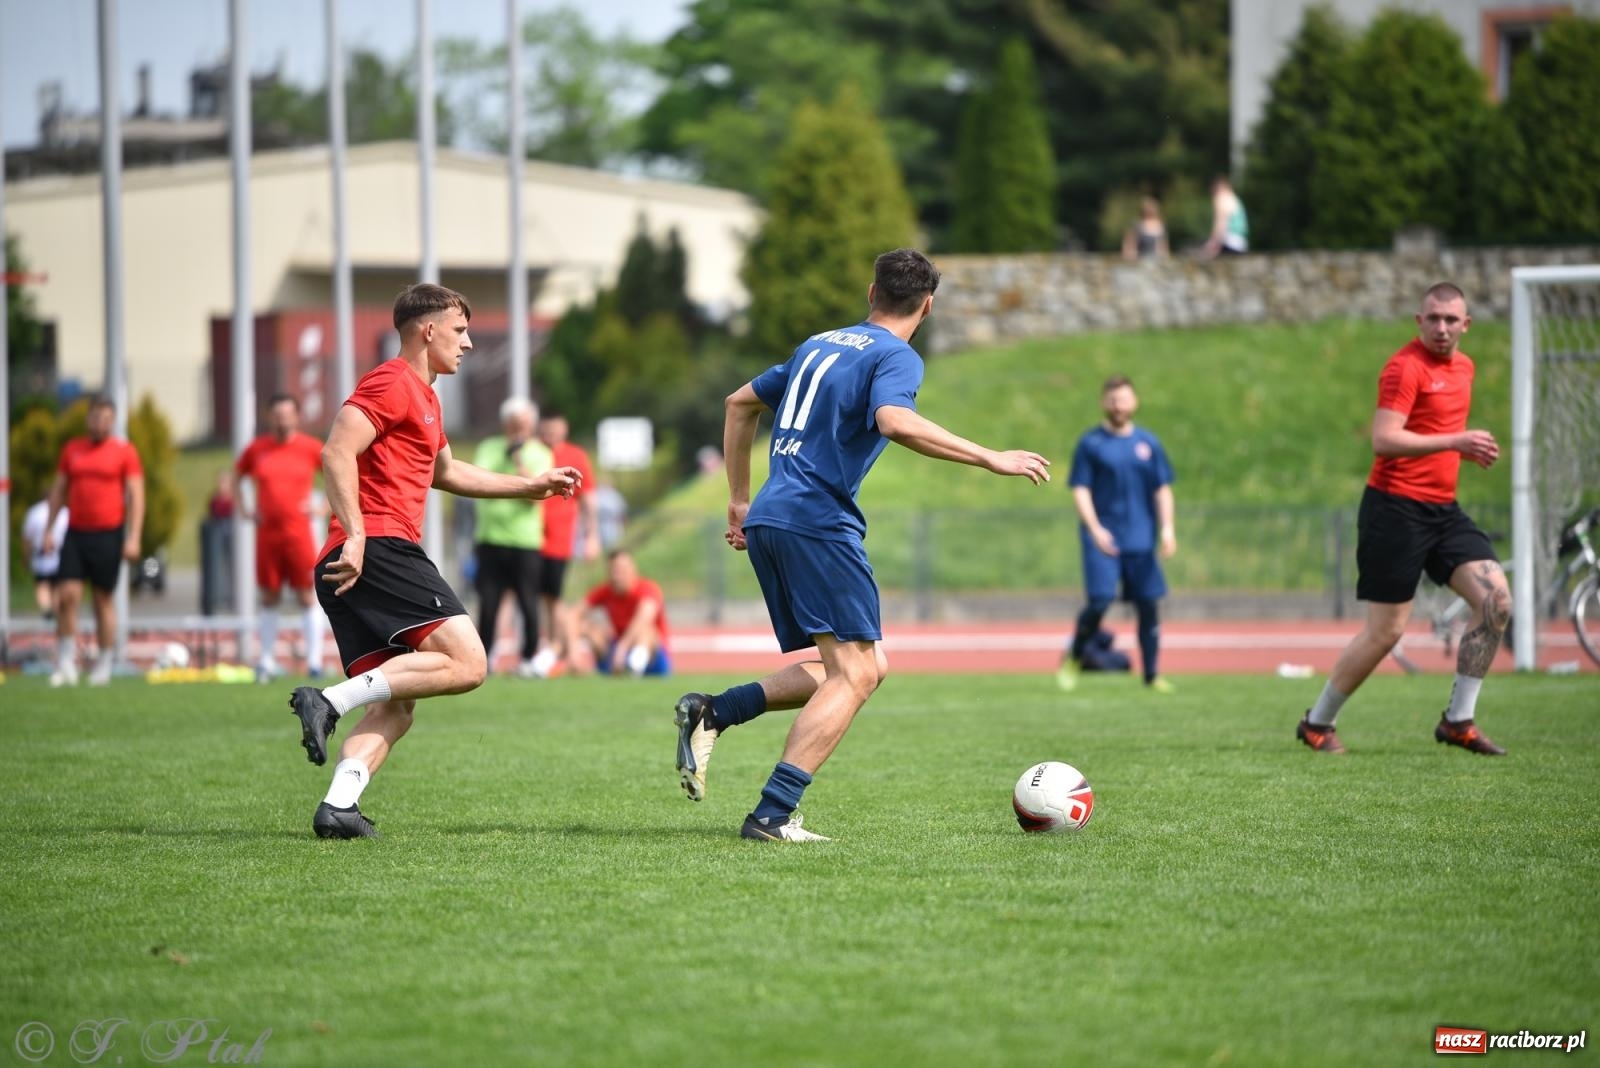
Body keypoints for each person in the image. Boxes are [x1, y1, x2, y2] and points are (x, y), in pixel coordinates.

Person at [674, 248, 1052, 842]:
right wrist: (989, 456)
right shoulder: (897, 355)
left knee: (862, 664)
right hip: (818, 521)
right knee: (855, 674)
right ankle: (772, 816)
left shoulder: (818, 343)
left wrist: (740, 500)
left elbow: (738, 403)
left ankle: (715, 711)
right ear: (926, 307)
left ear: (871, 292)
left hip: (773, 516)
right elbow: (894, 421)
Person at [285, 283, 580, 839]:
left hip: (363, 554)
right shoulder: (393, 380)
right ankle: (327, 700)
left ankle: (339, 807)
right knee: (470, 663)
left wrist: (529, 485)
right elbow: (335, 449)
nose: (468, 344)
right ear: (428, 330)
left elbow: (446, 473)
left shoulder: (426, 396)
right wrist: (355, 535)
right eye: (461, 330)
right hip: (376, 548)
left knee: (398, 705)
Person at [1297, 282, 1509, 756]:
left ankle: (1459, 722)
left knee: (1496, 601)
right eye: (1432, 318)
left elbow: (1438, 434)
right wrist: (1457, 442)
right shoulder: (1403, 367)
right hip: (1395, 509)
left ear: (1466, 325)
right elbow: (1385, 438)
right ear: (1419, 320)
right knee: (1387, 632)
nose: (1441, 327)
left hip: (1443, 510)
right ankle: (1317, 721)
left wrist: (1460, 448)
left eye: (1451, 320)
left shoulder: (1466, 367)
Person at [1054, 376, 1177, 694]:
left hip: (1140, 537)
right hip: (1103, 537)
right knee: (1100, 601)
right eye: (1112, 400)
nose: (1118, 406)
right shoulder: (1091, 444)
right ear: (1103, 403)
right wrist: (1095, 529)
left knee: (1149, 604)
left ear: (1134, 402)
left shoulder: (1148, 443)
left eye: (1123, 399)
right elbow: (1080, 488)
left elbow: (1162, 489)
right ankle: (1075, 657)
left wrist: (1167, 529)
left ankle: (1151, 675)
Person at [42, 395, 144, 687]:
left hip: (109, 533)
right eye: (95, 417)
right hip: (76, 532)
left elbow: (137, 496)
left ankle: (104, 663)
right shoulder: (72, 450)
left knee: (102, 600)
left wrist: (134, 536)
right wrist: (49, 529)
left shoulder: (124, 451)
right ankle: (65, 662)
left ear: (112, 421)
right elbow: (59, 490)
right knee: (67, 596)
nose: (100, 423)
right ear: (88, 419)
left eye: (106, 418)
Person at [236, 394, 327, 679]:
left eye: (288, 414)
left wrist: (323, 507)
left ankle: (314, 661)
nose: (283, 420)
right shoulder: (257, 449)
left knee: (305, 594)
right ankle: (265, 660)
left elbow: (339, 474)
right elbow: (237, 476)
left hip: (298, 533)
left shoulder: (310, 448)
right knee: (269, 595)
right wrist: (246, 510)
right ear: (268, 417)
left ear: (297, 417)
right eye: (277, 414)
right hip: (268, 535)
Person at [471, 396, 552, 676]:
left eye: (526, 423)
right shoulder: (489, 448)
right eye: (516, 423)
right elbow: (479, 482)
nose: (521, 429)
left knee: (528, 600)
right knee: (489, 602)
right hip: (491, 538)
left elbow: (535, 495)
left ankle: (528, 657)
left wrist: (517, 458)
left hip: (525, 541)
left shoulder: (540, 452)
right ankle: (484, 657)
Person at [526, 408, 599, 677]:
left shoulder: (575, 455)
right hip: (530, 538)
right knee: (542, 597)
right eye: (546, 432)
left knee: (554, 598)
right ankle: (557, 649)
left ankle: (568, 652)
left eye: (555, 432)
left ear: (564, 429)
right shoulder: (533, 453)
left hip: (559, 539)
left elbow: (589, 498)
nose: (550, 437)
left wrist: (592, 535)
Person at [575, 549, 671, 677]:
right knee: (587, 627)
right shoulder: (606, 590)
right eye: (613, 570)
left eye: (621, 570)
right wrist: (572, 651)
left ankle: (635, 666)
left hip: (651, 656)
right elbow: (573, 613)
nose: (616, 575)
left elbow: (644, 616)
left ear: (633, 570)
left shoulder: (648, 589)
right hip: (618, 654)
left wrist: (622, 647)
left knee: (646, 631)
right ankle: (547, 663)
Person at [20, 496, 69, 620]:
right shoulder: (65, 512)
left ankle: (47, 608)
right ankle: (54, 609)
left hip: (43, 554)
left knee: (42, 584)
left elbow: (27, 537)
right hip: (59, 555)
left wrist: (26, 556)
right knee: (56, 585)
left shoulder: (35, 512)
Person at [1203, 175, 1249, 258]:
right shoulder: (1234, 198)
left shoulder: (1221, 198)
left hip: (1229, 242)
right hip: (1241, 243)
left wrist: (1213, 243)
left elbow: (1221, 223)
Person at [1121, 196, 1169, 261]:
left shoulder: (1160, 224)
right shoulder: (1137, 224)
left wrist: (1165, 256)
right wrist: (1129, 255)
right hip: (1140, 258)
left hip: (1157, 259)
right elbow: (1129, 243)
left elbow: (1163, 245)